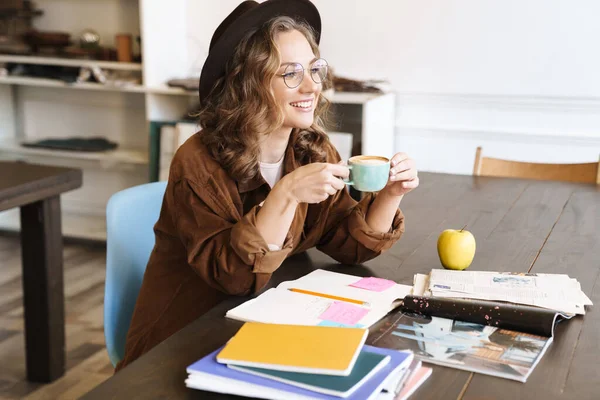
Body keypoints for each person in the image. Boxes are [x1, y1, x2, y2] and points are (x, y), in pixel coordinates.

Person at [116, 0, 418, 371]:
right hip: (184, 340)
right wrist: (287, 194)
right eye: (290, 73)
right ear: (247, 84)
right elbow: (233, 277)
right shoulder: (198, 162)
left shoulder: (311, 148)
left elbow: (348, 245)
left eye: (314, 69)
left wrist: (390, 194)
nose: (311, 86)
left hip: (266, 321)